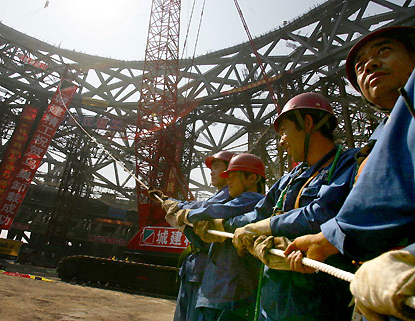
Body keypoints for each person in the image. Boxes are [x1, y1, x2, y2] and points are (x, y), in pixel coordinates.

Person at [196, 92, 360, 321]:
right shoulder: (292, 176)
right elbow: (260, 213)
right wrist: (224, 225)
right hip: (273, 296)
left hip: (317, 301)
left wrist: (266, 227)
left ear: (309, 123)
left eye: (284, 130)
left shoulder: (349, 165)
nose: (281, 140)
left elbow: (322, 212)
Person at [284, 26, 415, 274]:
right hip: (376, 285)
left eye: (384, 50)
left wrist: (330, 238)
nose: (369, 65)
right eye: (360, 66)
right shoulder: (374, 143)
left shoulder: (345, 161)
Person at [173, 153, 266, 321]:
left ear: (252, 178)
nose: (228, 181)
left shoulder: (253, 199)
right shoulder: (242, 202)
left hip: (228, 293)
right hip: (216, 291)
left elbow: (216, 210)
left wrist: (186, 213)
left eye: (233, 177)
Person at [150, 151, 235, 321]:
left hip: (206, 271)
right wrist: (170, 201)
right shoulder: (218, 196)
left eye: (216, 167)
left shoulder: (229, 197)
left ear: (230, 171)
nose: (211, 172)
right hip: (194, 268)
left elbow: (201, 208)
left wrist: (173, 203)